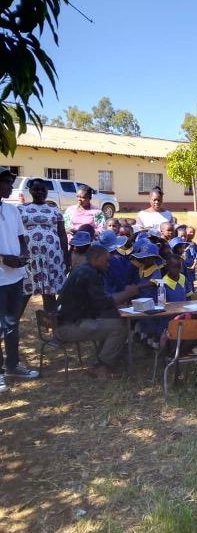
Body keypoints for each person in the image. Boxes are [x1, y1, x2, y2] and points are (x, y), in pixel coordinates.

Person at [55, 245, 138, 379]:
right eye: (106, 261)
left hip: (67, 321)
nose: (109, 264)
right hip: (67, 327)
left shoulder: (84, 269)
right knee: (120, 327)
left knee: (113, 320)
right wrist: (127, 293)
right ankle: (103, 367)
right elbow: (104, 302)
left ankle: (100, 362)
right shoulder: (88, 273)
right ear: (96, 258)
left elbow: (98, 302)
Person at [0, 167, 39, 392]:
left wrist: (23, 254)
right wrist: (4, 259)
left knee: (12, 323)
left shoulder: (12, 210)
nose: (11, 188)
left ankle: (13, 365)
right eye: (6, 183)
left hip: (14, 277)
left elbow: (21, 237)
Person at [18, 178, 69, 315]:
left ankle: (51, 326)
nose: (40, 192)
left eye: (43, 189)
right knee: (24, 290)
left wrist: (67, 256)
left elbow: (62, 234)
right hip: (29, 256)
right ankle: (10, 327)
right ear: (30, 191)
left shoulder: (54, 209)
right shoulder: (22, 208)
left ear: (47, 191)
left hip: (52, 256)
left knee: (49, 291)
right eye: (36, 189)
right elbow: (15, 233)